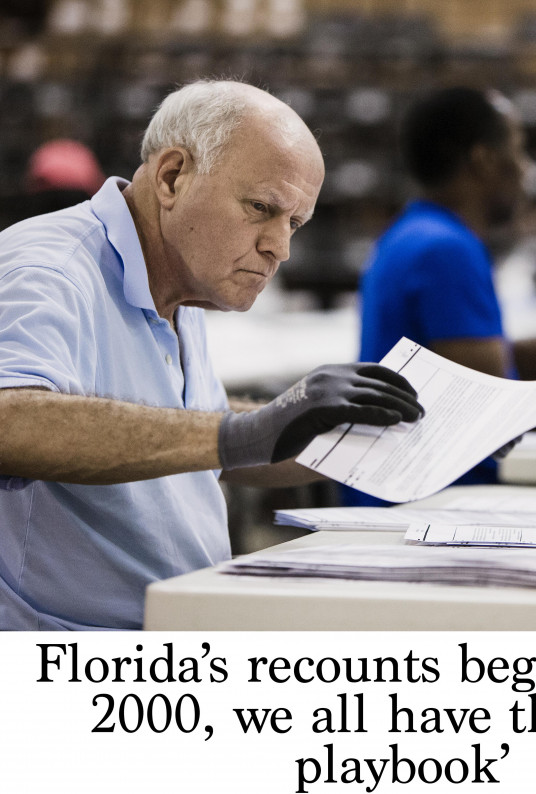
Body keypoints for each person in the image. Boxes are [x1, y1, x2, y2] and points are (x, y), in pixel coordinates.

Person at [0, 79, 423, 630]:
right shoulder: (50, 269)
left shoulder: (186, 278)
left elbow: (201, 444)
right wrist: (243, 432)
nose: (281, 247)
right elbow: (11, 422)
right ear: (173, 176)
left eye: (294, 222)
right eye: (261, 208)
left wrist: (371, 441)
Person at [355, 87, 536, 500]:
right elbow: (490, 407)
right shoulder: (448, 250)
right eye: (519, 149)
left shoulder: (411, 234)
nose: (527, 169)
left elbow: (475, 360)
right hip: (431, 499)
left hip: (400, 488)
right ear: (484, 159)